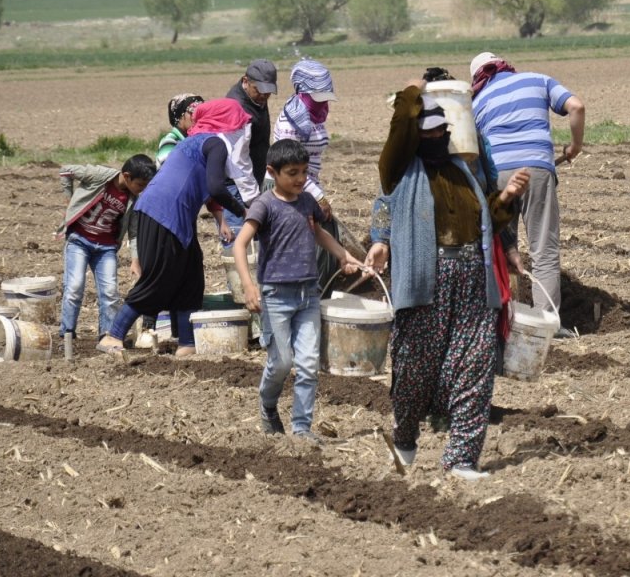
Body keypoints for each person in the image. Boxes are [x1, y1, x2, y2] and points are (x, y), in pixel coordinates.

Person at [367, 78, 529, 480]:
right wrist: (409, 93)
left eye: (443, 131)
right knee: (414, 368)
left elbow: (486, 218)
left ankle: (460, 458)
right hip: (427, 281)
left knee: (474, 364)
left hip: (473, 279)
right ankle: (405, 437)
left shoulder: (463, 171)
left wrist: (506, 197)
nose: (437, 137)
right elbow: (403, 122)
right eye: (429, 132)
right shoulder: (400, 171)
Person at [97, 98, 253, 356]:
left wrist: (222, 217)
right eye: (239, 125)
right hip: (163, 214)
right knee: (159, 278)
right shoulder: (215, 142)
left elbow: (206, 186)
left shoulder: (197, 141)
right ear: (227, 123)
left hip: (175, 217)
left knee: (191, 277)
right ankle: (112, 336)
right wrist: (242, 211)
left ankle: (187, 344)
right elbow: (216, 187)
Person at [234, 139, 363, 441]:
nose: (300, 179)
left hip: (308, 294)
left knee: (307, 365)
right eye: (292, 172)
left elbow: (317, 232)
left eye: (304, 172)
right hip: (276, 296)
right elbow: (241, 244)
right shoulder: (264, 205)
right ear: (272, 172)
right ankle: (268, 406)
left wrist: (342, 255)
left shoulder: (306, 202)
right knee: (281, 363)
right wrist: (249, 287)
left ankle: (302, 429)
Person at [469, 52, 584, 336]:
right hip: (537, 170)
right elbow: (577, 107)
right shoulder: (538, 80)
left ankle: (505, 323)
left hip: (498, 175)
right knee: (543, 248)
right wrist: (575, 146)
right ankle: (545, 325)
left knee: (503, 244)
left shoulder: (477, 101)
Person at [56, 155, 155, 340]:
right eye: (141, 184)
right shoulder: (100, 175)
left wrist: (135, 260)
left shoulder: (133, 200)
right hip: (79, 240)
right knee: (74, 287)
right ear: (127, 176)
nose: (143, 189)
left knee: (110, 292)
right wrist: (68, 202)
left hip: (106, 247)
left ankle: (106, 336)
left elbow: (134, 232)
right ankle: (67, 334)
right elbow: (66, 170)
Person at [273, 59, 341, 286]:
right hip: (291, 190)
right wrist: (316, 197)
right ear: (303, 92)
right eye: (317, 97)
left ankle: (323, 294)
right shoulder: (290, 123)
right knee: (311, 246)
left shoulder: (315, 114)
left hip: (308, 186)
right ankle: (313, 296)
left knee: (327, 241)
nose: (322, 104)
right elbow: (289, 170)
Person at [222, 59, 277, 247]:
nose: (264, 95)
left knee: (257, 245)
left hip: (253, 181)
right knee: (239, 245)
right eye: (259, 89)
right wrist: (252, 198)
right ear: (246, 81)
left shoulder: (256, 98)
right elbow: (237, 161)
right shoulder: (236, 107)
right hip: (236, 186)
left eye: (268, 91)